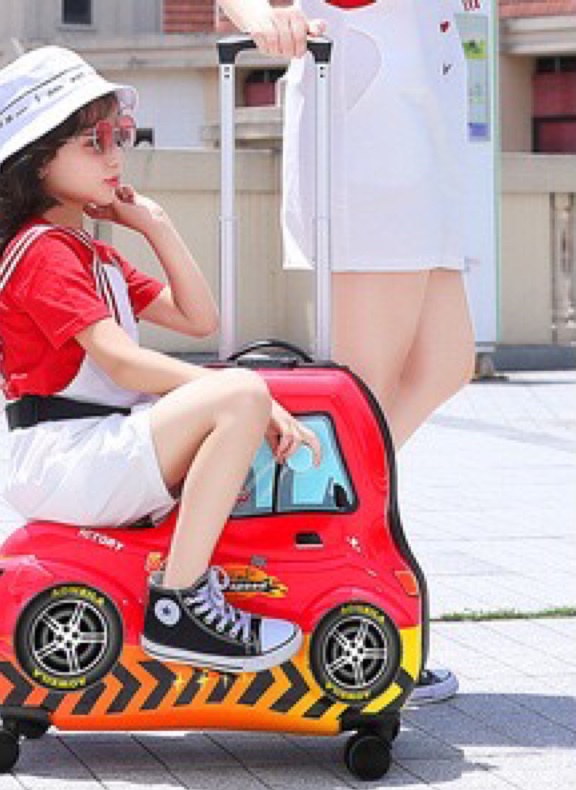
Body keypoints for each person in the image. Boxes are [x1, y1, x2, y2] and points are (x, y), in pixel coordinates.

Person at [0, 46, 322, 675]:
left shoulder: (86, 252)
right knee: (239, 392)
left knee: (236, 390)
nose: (115, 156)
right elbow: (124, 365)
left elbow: (198, 319)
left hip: (94, 448)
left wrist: (155, 223)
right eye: (93, 141)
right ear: (38, 158)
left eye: (118, 136)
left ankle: (193, 589)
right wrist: (253, 400)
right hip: (70, 456)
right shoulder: (44, 253)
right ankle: (180, 604)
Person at [218, 0, 475, 704]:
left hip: (421, 145)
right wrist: (258, 13)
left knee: (445, 362)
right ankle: (324, 591)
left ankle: (297, 521)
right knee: (362, 401)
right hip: (373, 154)